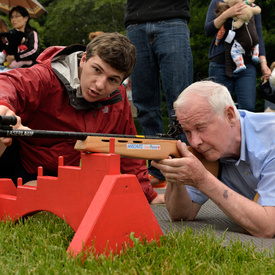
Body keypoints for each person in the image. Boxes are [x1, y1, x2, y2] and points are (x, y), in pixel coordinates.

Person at [0, 32, 164, 205]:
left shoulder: (118, 99)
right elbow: (9, 83)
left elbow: (128, 147)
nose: (100, 85)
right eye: (97, 70)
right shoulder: (45, 77)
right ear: (84, 59)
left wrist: (147, 195)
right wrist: (3, 104)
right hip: (19, 161)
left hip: (60, 178)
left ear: (121, 82)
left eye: (112, 79)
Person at [152, 80, 275, 238]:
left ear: (230, 115)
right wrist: (175, 177)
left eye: (200, 128)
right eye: (187, 132)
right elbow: (181, 215)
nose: (195, 142)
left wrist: (202, 179)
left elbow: (267, 228)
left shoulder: (270, 140)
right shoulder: (209, 151)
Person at [124, 0, 193, 188]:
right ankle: (157, 170)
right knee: (144, 104)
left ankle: (183, 168)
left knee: (180, 103)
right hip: (136, 22)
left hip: (173, 20)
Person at [205, 0, 271, 111]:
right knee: (220, 110)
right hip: (220, 65)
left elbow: (258, 37)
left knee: (248, 108)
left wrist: (263, 64)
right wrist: (228, 13)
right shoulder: (217, 2)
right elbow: (208, 30)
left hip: (246, 65)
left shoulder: (252, 7)